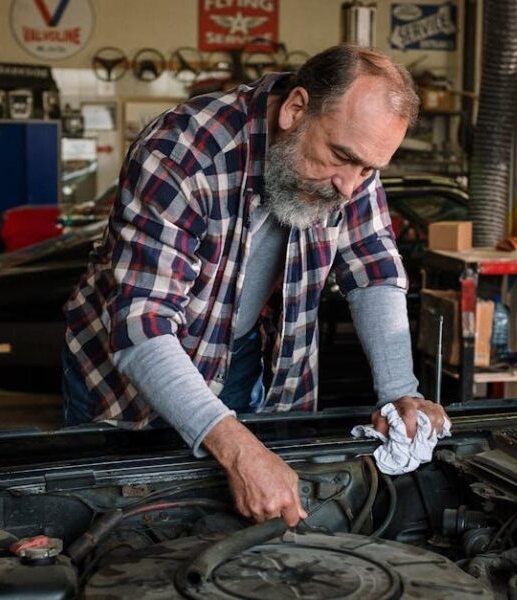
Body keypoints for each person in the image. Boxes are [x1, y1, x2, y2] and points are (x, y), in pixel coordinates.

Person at [62, 44, 449, 528]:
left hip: (246, 353)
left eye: (369, 169)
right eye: (342, 158)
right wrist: (237, 447)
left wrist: (399, 391)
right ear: (295, 110)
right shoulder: (182, 152)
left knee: (242, 521)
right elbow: (143, 323)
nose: (351, 187)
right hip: (129, 377)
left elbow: (374, 268)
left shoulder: (351, 162)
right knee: (128, 523)